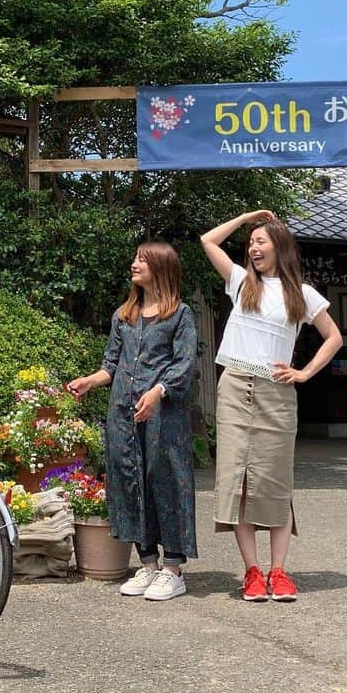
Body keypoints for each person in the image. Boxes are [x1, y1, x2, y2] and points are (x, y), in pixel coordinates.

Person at [200, 210, 343, 602]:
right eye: (252, 242)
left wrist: (303, 372)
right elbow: (208, 241)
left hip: (276, 393)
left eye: (262, 241)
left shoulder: (303, 294)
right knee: (238, 481)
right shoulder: (242, 282)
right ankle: (251, 572)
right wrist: (247, 218)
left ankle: (279, 571)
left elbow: (334, 338)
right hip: (234, 387)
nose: (254, 247)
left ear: (280, 248)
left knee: (276, 482)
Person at [67, 242, 198, 601]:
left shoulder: (180, 315)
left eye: (142, 259)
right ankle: (148, 564)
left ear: (161, 267)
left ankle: (173, 568)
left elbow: (184, 365)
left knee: (165, 481)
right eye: (136, 258)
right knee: (129, 480)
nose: (134, 263)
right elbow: (112, 364)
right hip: (122, 410)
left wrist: (157, 392)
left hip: (163, 415)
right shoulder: (123, 315)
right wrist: (89, 381)